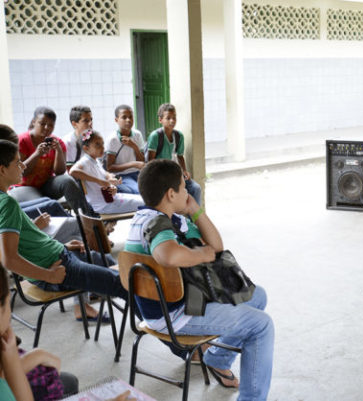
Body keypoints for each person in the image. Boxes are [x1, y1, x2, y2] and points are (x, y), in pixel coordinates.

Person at [125, 159, 274, 401]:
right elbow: (168, 254)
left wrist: (194, 208)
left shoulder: (152, 217)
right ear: (171, 194)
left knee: (258, 296)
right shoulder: (157, 223)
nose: (188, 190)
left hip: (180, 303)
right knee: (261, 325)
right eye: (184, 187)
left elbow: (217, 246)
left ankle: (217, 358)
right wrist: (199, 254)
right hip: (176, 314)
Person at [0, 139, 126, 321]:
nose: (22, 165)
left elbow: (21, 242)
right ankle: (163, 325)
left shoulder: (6, 199)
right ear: (2, 170)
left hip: (58, 254)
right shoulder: (7, 203)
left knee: (106, 262)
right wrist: (48, 276)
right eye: (17, 162)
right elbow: (8, 258)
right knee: (119, 282)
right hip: (56, 268)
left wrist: (63, 245)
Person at [1, 266, 133, 401]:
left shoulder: (8, 352)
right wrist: (34, 357)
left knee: (69, 381)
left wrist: (13, 361)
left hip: (57, 267)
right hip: (55, 272)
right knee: (116, 278)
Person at [7, 108, 91, 214]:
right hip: (23, 186)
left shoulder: (57, 142)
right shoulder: (22, 141)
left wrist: (59, 151)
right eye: (42, 124)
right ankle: (70, 226)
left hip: (46, 185)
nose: (46, 128)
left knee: (67, 180)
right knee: (45, 205)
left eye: (51, 125)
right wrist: (37, 154)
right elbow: (20, 172)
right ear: (34, 122)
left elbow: (59, 172)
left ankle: (86, 218)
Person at [70, 130, 143, 214]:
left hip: (111, 200)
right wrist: (100, 181)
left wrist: (112, 183)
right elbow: (73, 171)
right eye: (97, 145)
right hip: (104, 206)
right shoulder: (85, 161)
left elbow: (106, 174)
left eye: (102, 144)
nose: (102, 147)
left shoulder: (95, 161)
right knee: (148, 203)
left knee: (145, 200)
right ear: (86, 148)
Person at [146, 103, 202, 205]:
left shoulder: (178, 136)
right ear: (160, 120)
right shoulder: (156, 136)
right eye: (168, 118)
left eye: (174, 117)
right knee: (174, 195)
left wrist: (184, 171)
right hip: (160, 175)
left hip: (173, 173)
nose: (172, 121)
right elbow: (150, 162)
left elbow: (180, 156)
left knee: (195, 188)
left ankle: (194, 220)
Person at [105, 105, 145, 194]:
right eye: (124, 117)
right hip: (122, 176)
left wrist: (134, 146)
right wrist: (132, 164)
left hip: (138, 174)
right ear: (116, 120)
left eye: (130, 117)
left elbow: (141, 161)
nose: (128, 120)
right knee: (140, 193)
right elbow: (110, 167)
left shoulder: (137, 135)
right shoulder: (113, 139)